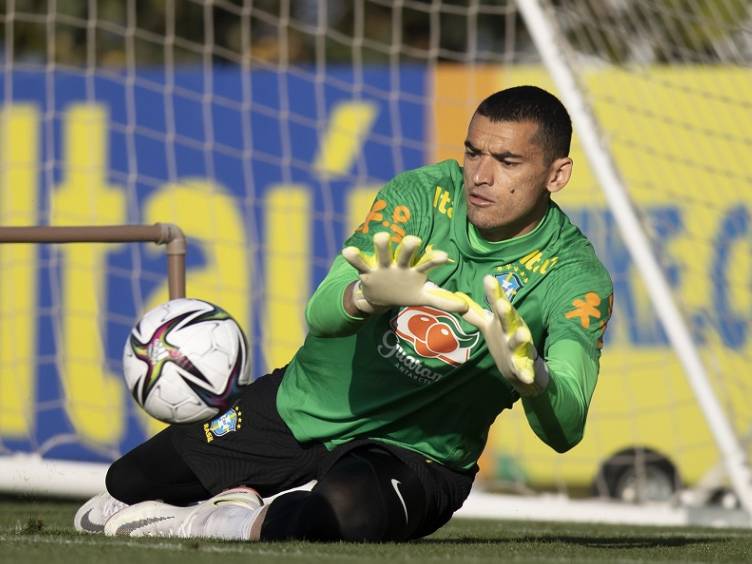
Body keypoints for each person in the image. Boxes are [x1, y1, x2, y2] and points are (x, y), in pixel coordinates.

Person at [74, 85, 613, 542]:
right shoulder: (421, 195)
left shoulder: (574, 278)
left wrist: (535, 380)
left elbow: (566, 428)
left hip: (417, 458)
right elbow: (322, 314)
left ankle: (204, 523)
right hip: (301, 408)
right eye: (474, 153)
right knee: (127, 483)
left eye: (507, 161)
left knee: (323, 516)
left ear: (557, 174)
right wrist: (365, 296)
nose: (480, 176)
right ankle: (246, 496)